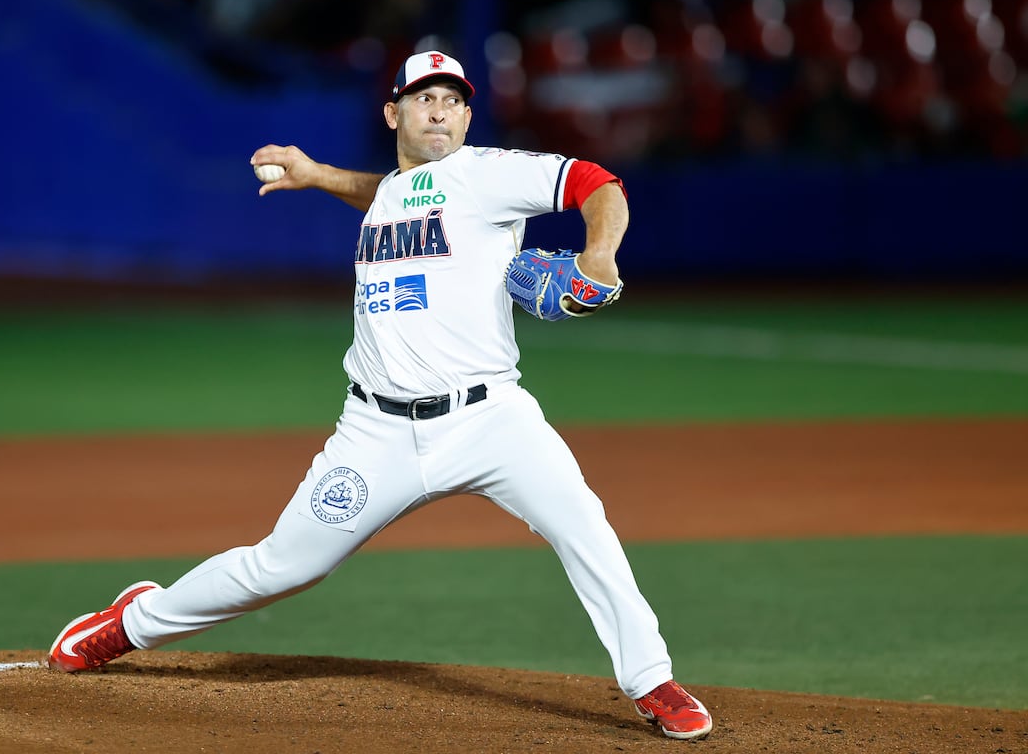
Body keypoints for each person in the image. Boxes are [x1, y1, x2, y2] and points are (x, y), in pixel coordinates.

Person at [47, 50, 713, 741]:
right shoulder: (398, 187)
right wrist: (316, 176)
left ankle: (652, 681)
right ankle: (130, 622)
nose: (440, 110)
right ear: (394, 112)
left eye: (453, 100)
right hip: (376, 433)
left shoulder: (491, 175)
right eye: (425, 98)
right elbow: (388, 191)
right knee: (282, 566)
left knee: (585, 527)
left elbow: (598, 184)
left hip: (491, 419)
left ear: (467, 115)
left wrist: (599, 252)